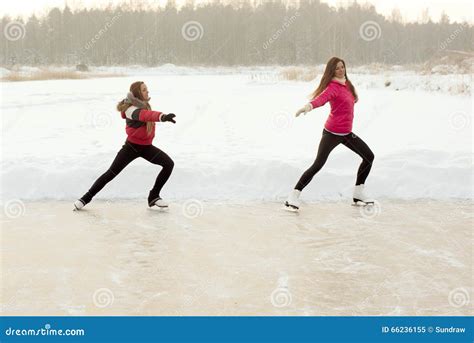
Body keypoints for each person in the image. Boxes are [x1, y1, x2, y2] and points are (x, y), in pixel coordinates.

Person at [285, 57, 375, 210]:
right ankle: (293, 196)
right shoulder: (333, 87)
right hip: (332, 133)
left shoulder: (347, 84)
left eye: (342, 67)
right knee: (318, 164)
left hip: (346, 133)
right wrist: (308, 107)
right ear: (332, 71)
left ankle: (358, 192)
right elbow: (321, 99)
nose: (341, 70)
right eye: (337, 68)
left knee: (368, 156)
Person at [73, 81, 176, 210]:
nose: (147, 92)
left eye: (147, 89)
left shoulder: (146, 105)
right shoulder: (130, 109)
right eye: (144, 90)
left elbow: (147, 114)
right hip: (131, 148)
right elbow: (145, 116)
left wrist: (162, 117)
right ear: (138, 93)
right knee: (111, 173)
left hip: (146, 147)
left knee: (168, 164)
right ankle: (85, 198)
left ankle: (154, 196)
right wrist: (163, 116)